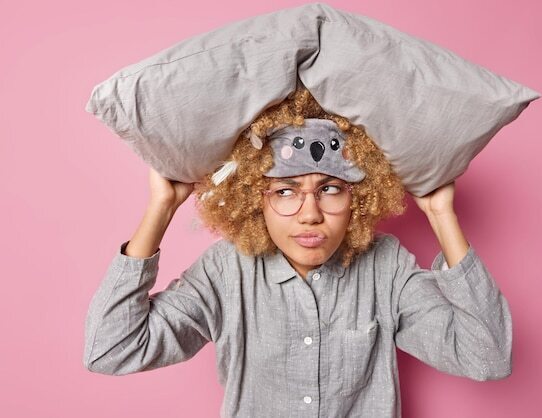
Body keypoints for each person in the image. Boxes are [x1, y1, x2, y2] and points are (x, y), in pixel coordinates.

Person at [83, 88, 512, 417]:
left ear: (359, 199)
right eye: (285, 191)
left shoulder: (386, 265)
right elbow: (111, 348)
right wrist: (161, 208)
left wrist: (441, 215)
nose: (310, 214)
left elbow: (487, 356)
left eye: (330, 189)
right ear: (256, 200)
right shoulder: (227, 271)